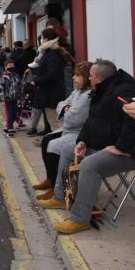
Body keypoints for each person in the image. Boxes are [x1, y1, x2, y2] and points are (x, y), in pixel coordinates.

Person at [39, 59, 135, 234]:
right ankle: (60, 196)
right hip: (109, 145)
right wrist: (83, 140)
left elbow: (131, 120)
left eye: (90, 76)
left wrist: (122, 148)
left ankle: (80, 219)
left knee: (90, 165)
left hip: (129, 152)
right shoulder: (102, 91)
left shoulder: (124, 91)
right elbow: (92, 121)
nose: (89, 79)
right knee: (68, 148)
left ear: (98, 78)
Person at [32, 61, 92, 200]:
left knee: (54, 146)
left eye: (77, 75)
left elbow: (74, 118)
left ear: (87, 77)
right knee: (47, 139)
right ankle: (50, 179)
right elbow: (61, 104)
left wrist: (67, 110)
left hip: (78, 132)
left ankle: (56, 187)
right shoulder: (77, 92)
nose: (73, 78)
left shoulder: (87, 96)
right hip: (70, 128)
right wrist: (66, 108)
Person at [30, 28, 72, 136]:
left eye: (42, 38)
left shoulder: (53, 54)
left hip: (52, 95)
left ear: (46, 39)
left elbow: (52, 75)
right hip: (49, 94)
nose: (41, 41)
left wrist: (36, 81)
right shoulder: (50, 53)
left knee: (55, 125)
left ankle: (57, 148)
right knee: (53, 123)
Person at [0, 60, 21, 136]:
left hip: (15, 98)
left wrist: (21, 97)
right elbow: (1, 89)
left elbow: (19, 86)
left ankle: (8, 126)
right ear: (5, 67)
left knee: (14, 114)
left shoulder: (16, 75)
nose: (11, 67)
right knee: (9, 114)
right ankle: (9, 129)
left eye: (12, 65)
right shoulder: (4, 76)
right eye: (9, 65)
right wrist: (2, 100)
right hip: (7, 99)